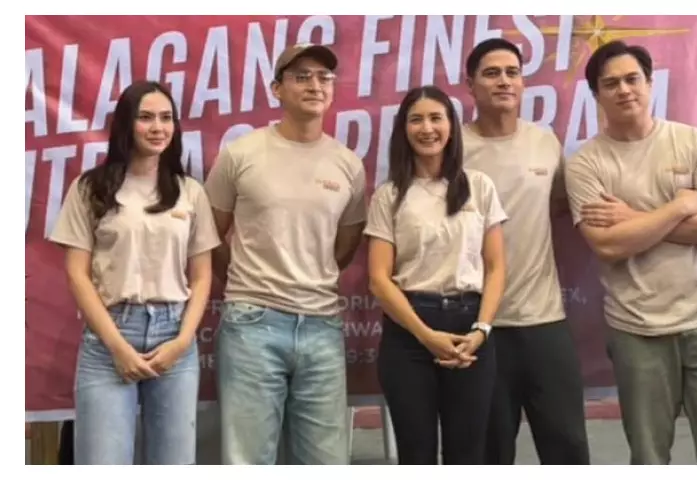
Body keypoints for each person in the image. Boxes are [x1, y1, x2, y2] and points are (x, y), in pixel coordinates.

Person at [564, 40, 697, 465]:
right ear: (596, 94)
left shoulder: (693, 141)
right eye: (611, 83)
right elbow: (608, 245)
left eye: (633, 79)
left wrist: (632, 218)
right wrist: (680, 207)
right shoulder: (586, 164)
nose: (624, 90)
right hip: (636, 329)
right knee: (649, 458)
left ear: (650, 84)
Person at [203, 43, 367, 465]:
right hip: (252, 324)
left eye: (324, 77)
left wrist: (311, 277)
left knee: (326, 462)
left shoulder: (348, 164)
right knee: (248, 460)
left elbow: (345, 246)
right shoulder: (241, 154)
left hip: (322, 325)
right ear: (277, 89)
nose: (315, 85)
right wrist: (245, 280)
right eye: (301, 77)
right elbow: (207, 234)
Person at [48, 80, 221, 465]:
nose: (158, 127)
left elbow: (202, 276)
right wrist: (117, 347)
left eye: (166, 118)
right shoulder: (90, 188)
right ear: (126, 124)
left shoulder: (189, 191)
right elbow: (77, 275)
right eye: (146, 118)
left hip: (174, 337)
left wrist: (182, 341)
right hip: (110, 337)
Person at [461, 38, 591, 464]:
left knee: (568, 448)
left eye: (512, 73)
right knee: (488, 455)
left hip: (543, 321)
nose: (504, 81)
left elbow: (556, 204)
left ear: (522, 83)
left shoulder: (544, 142)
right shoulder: (451, 148)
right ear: (470, 85)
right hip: (477, 324)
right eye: (491, 73)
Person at [365, 85, 508, 464]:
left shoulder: (479, 186)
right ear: (403, 129)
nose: (427, 129)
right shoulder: (389, 195)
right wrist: (426, 336)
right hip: (410, 333)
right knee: (416, 454)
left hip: (470, 331)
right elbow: (379, 279)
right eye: (416, 120)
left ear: (451, 126)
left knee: (468, 454)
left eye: (435, 118)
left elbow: (495, 267)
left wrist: (481, 330)